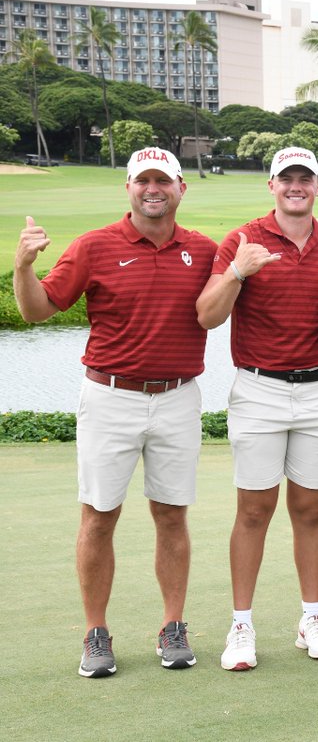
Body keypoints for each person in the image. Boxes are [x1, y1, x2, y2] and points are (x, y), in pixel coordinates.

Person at [13, 148, 215, 677]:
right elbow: (35, 311)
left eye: (163, 181)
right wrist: (23, 266)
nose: (153, 189)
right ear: (128, 188)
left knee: (172, 514)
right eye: (143, 180)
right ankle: (96, 633)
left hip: (178, 396)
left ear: (181, 189)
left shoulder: (203, 250)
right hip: (110, 396)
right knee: (99, 515)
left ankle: (173, 626)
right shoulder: (94, 246)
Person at [196, 147, 318, 670]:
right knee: (254, 510)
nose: (296, 186)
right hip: (259, 390)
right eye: (287, 178)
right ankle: (241, 625)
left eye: (305, 178)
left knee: (309, 510)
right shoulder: (243, 240)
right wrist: (237, 272)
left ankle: (311, 618)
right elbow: (207, 316)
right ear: (272, 186)